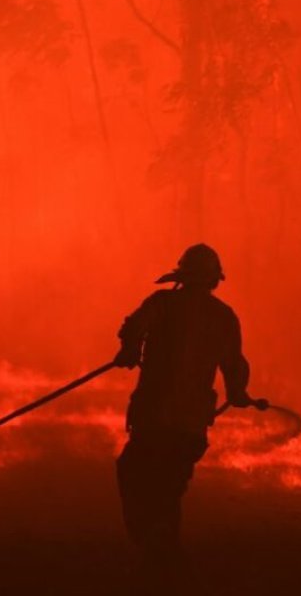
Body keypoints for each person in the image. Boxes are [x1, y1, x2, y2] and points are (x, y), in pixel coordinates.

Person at [112, 243, 255, 580]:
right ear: (213, 281)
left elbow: (133, 327)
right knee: (168, 488)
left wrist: (130, 350)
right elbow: (234, 366)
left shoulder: (162, 304)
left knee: (136, 476)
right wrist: (238, 394)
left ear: (181, 276)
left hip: (153, 419)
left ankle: (159, 557)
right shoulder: (224, 317)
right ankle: (163, 558)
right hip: (189, 426)